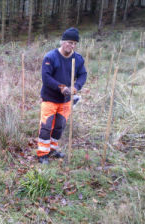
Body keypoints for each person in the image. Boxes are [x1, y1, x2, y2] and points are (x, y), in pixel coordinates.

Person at [37, 27, 87, 164]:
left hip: (66, 101)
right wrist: (62, 87)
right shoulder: (51, 57)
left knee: (59, 126)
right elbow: (46, 77)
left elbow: (83, 74)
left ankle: (53, 149)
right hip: (49, 98)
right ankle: (42, 154)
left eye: (74, 43)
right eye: (69, 42)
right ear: (62, 41)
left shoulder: (78, 59)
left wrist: (76, 87)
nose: (72, 46)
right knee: (46, 127)